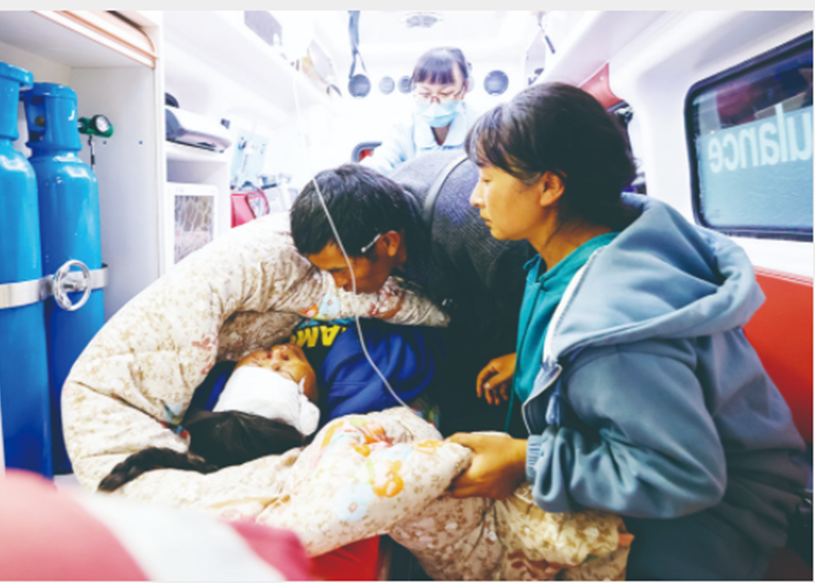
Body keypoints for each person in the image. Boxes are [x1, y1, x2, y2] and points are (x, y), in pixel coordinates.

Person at [444, 82, 809, 580]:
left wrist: (527, 460)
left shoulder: (612, 327)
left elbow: (684, 475)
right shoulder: (591, 247)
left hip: (717, 513)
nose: (474, 197)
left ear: (549, 187)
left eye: (487, 179)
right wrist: (536, 364)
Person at [290, 155, 535, 434]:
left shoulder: (484, 238)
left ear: (388, 242)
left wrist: (525, 357)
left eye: (340, 270)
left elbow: (561, 306)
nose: (339, 284)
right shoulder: (378, 212)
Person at [98, 322, 446, 491]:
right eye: (283, 372)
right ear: (308, 409)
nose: (276, 354)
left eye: (259, 361)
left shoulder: (212, 386)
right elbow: (422, 342)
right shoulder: (355, 383)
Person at [361, 47, 479, 175]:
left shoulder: (480, 129)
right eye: (425, 94)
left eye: (445, 94)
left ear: (464, 88)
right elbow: (381, 162)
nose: (434, 104)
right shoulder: (404, 129)